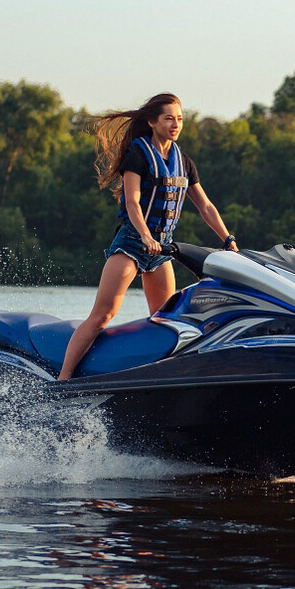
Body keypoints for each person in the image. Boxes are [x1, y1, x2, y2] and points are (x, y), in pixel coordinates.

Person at [56, 93, 237, 380]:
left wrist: (228, 240)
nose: (175, 124)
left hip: (161, 250)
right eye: (169, 118)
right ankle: (63, 378)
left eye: (179, 119)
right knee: (102, 316)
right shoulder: (138, 155)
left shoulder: (184, 162)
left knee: (164, 321)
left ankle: (151, 376)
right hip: (131, 245)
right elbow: (132, 203)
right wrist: (144, 237)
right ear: (152, 122)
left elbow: (206, 206)